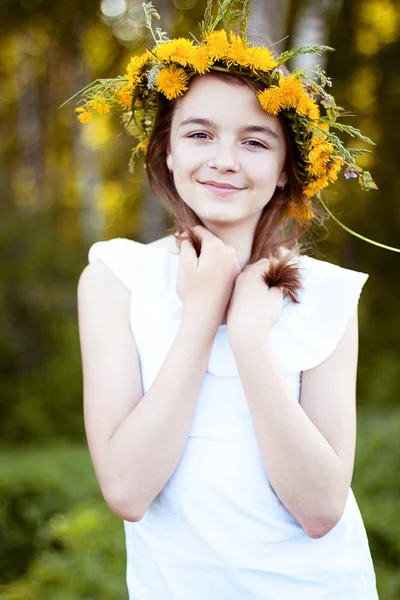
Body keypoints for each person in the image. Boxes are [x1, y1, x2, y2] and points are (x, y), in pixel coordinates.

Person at [74, 2, 383, 598]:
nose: (223, 160)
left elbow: (321, 509)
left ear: (287, 170)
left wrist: (247, 340)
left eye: (255, 141)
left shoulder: (325, 296)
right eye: (199, 134)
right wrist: (201, 312)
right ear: (165, 149)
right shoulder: (116, 278)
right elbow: (128, 492)